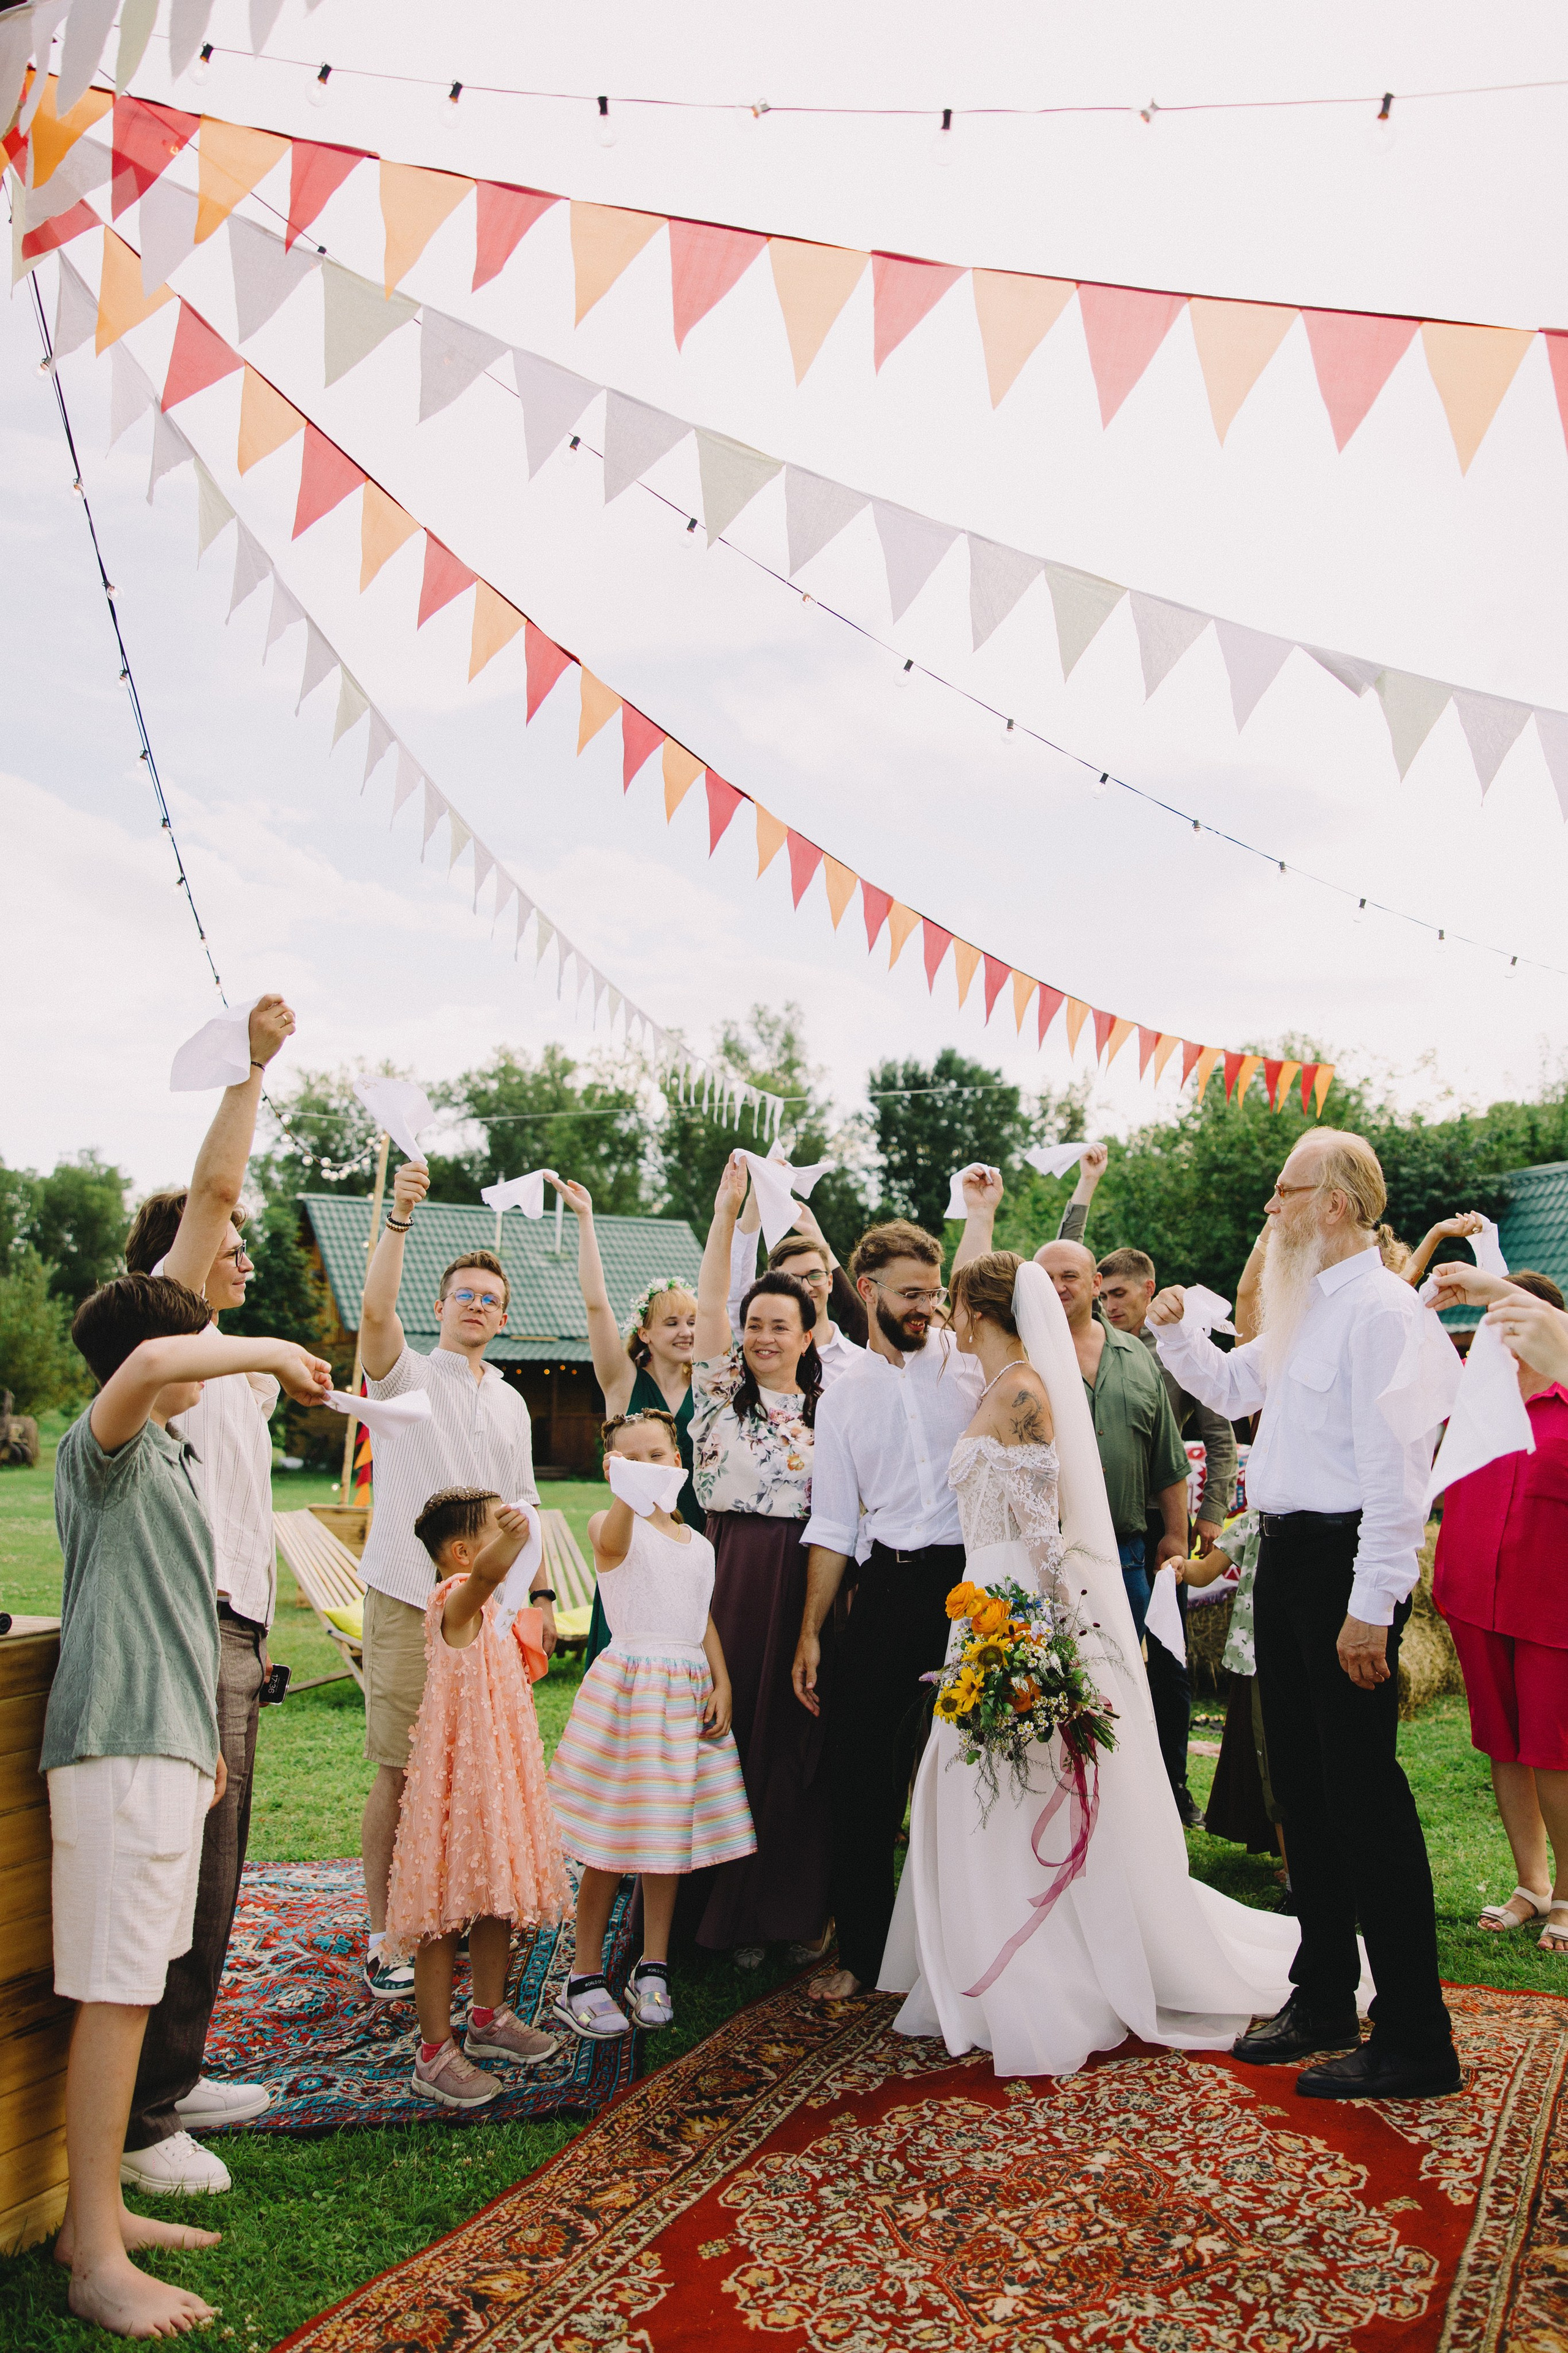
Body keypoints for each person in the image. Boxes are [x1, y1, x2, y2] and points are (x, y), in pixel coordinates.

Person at [880, 1251, 1305, 2074]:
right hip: (982, 1602)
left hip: (1015, 1609)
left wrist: (1040, 1637)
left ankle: (1041, 1967)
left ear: (978, 1313)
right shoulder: (1002, 1387)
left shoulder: (1026, 1393)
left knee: (1016, 1780)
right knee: (977, 1783)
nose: (946, 1319)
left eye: (956, 1305)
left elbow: (1045, 1527)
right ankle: (978, 1961)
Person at [1149, 1127, 1461, 2101]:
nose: (1271, 1210)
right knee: (1307, 1797)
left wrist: (1372, 1609)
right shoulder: (1306, 1307)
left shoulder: (1382, 1313)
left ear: (1334, 1202)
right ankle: (1323, 1993)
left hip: (1344, 1566)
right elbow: (1235, 1385)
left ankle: (1415, 2035)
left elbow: (1396, 1476)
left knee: (1364, 1795)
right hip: (1283, 1559)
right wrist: (1170, 1331)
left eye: (1284, 1192)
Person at [46, 1274, 330, 2336]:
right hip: (117, 1743)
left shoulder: (170, 1453)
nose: (210, 1356)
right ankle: (94, 2257)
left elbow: (173, 1613)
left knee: (138, 1977)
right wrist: (263, 1351)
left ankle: (101, 2213)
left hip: (166, 1743)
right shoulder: (106, 1442)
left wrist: (207, 1739)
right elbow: (160, 1362)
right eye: (202, 1338)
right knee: (114, 1992)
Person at [118, 992, 298, 2192]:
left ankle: (172, 2078)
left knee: (217, 1876)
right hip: (187, 1636)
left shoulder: (240, 1380)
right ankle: (137, 2122)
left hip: (240, 1636)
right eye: (218, 1248)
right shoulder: (170, 1370)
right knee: (175, 1876)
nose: (241, 1249)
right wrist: (251, 1071)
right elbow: (217, 1199)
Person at [356, 1160, 549, 2001]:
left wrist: (535, 1602)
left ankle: (467, 1920)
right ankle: (386, 1931)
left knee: (476, 1776)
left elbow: (527, 1506)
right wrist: (398, 1219)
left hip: (490, 1617)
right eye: (464, 1293)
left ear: (504, 1317)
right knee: (403, 1770)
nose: (477, 1304)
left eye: (490, 1297)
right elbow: (371, 1315)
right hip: (410, 1599)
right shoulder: (408, 1377)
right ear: (441, 1306)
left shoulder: (511, 1400)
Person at [793, 1190, 992, 2003]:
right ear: (867, 1289)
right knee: (861, 1776)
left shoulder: (970, 1366)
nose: (930, 1307)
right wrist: (812, 1631)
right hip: (886, 1586)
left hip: (973, 1586)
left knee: (981, 1765)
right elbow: (834, 1522)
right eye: (913, 1293)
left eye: (936, 1293)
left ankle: (976, 1948)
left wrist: (980, 1214)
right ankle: (868, 1955)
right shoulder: (841, 1394)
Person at [548, 1411, 754, 2034]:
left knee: (668, 1843)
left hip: (686, 1692)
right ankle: (583, 1973)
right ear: (613, 1469)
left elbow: (701, 1616)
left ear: (676, 1459)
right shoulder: (613, 1526)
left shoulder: (698, 1541)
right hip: (633, 1695)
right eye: (630, 1459)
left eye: (657, 1455)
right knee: (612, 1840)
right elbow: (611, 1545)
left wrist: (720, 1679)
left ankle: (654, 1963)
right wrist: (625, 1493)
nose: (648, 1466)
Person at [383, 1488, 570, 2109]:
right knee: (443, 1912)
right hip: (457, 1785)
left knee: (497, 1896)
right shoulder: (453, 1601)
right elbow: (488, 1573)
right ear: (463, 1552)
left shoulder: (494, 1610)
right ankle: (434, 2052)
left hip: (499, 1776)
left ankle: (488, 2018)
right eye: (498, 1529)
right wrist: (516, 1541)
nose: (511, 1536)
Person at [690, 1156, 825, 1965]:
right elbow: (710, 1300)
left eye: (782, 1324)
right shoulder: (719, 1393)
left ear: (808, 1335)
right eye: (757, 1323)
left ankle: (782, 1913)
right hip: (728, 1573)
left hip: (802, 1576)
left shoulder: (828, 1408)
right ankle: (718, 1919)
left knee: (793, 1749)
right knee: (723, 1737)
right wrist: (725, 1214)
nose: (765, 1335)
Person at [1424, 1269, 1568, 1956]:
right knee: (1503, 1744)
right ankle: (1531, 1884)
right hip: (1474, 1594)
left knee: (1555, 1752)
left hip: (1552, 1605)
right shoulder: (1468, 1394)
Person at [1096, 1244, 1239, 1826]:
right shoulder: (1090, 1345)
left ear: (1148, 1288)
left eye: (1119, 1295)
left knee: (1167, 1658)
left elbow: (1221, 1436)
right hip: (1102, 1516)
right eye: (1102, 1296)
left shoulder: (1181, 1346)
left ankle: (1174, 1784)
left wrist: (1211, 1511)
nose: (1110, 1307)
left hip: (1165, 1523)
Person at [552, 1176, 701, 1666]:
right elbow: (596, 1304)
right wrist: (585, 1219)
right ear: (646, 1331)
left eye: (693, 1322)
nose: (686, 1332)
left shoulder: (712, 1386)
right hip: (633, 1540)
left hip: (696, 1537)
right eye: (673, 1322)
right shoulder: (621, 1381)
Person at [1033, 1239, 1189, 1642]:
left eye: (1069, 1275)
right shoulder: (1025, 1355)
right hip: (1052, 1558)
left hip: (1128, 1555)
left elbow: (1166, 1453)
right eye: (1046, 1278)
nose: (1058, 1286)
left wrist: (1176, 1534)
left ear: (1096, 1282)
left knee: (1129, 1678)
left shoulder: (1135, 1352)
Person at [729, 1185, 868, 1383]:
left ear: (830, 1282)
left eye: (815, 1275)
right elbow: (737, 1292)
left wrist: (815, 1234)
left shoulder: (859, 1361)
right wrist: (755, 1197)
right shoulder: (763, 1347)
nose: (806, 1287)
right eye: (792, 1279)